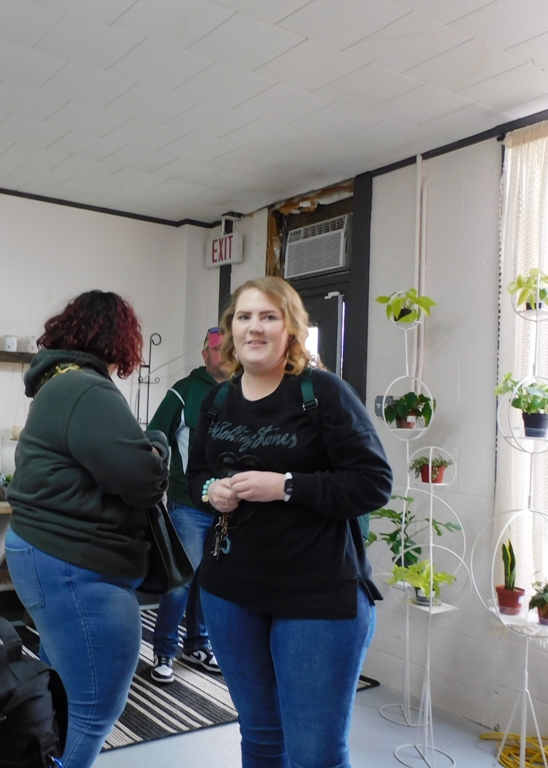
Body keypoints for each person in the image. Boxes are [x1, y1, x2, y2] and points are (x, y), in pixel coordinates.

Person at [187, 276, 393, 768]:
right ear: (230, 330)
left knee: (314, 755)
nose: (254, 327)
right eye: (244, 317)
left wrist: (285, 486)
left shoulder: (322, 393)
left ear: (291, 329)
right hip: (230, 592)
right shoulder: (217, 401)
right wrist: (210, 491)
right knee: (260, 740)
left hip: (316, 596)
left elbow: (373, 483)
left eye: (268, 316)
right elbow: (194, 474)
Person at [5, 290, 170, 768]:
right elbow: (142, 481)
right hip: (77, 565)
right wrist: (158, 445)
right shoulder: (87, 389)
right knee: (94, 709)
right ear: (119, 338)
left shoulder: (56, 382)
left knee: (60, 696)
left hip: (47, 556)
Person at [146, 327, 229, 684]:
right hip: (189, 506)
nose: (224, 355)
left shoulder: (243, 392)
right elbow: (154, 437)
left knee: (210, 582)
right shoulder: (184, 392)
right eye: (217, 349)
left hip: (229, 510)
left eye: (229, 348)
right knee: (181, 581)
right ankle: (164, 650)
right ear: (205, 354)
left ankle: (197, 646)